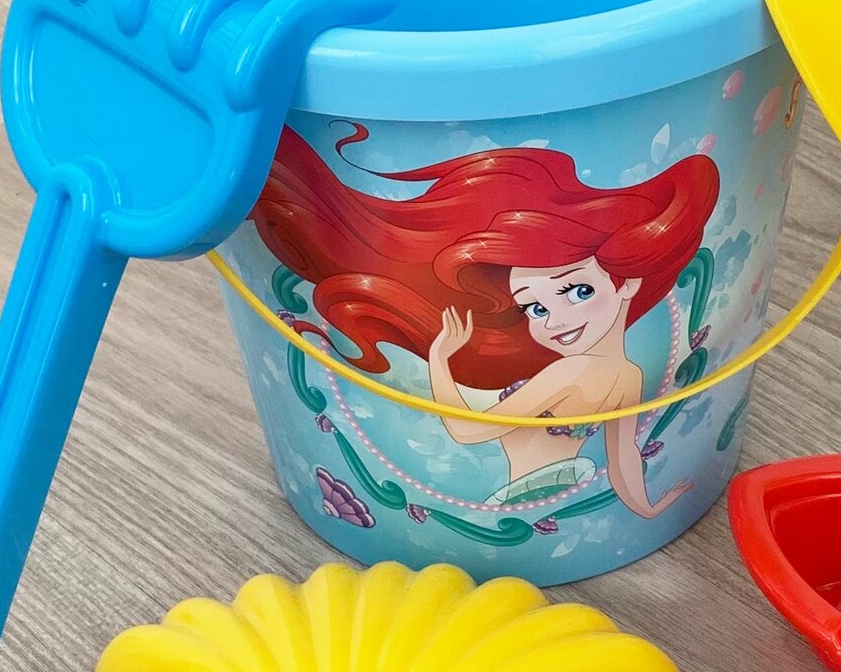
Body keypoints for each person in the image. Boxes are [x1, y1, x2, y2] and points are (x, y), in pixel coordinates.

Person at [252, 127, 718, 515]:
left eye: (578, 291)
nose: (555, 320)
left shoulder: (573, 370)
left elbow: (468, 430)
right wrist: (649, 509)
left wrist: (440, 360)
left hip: (522, 496)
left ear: (627, 283)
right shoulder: (627, 374)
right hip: (553, 487)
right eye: (534, 308)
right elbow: (622, 458)